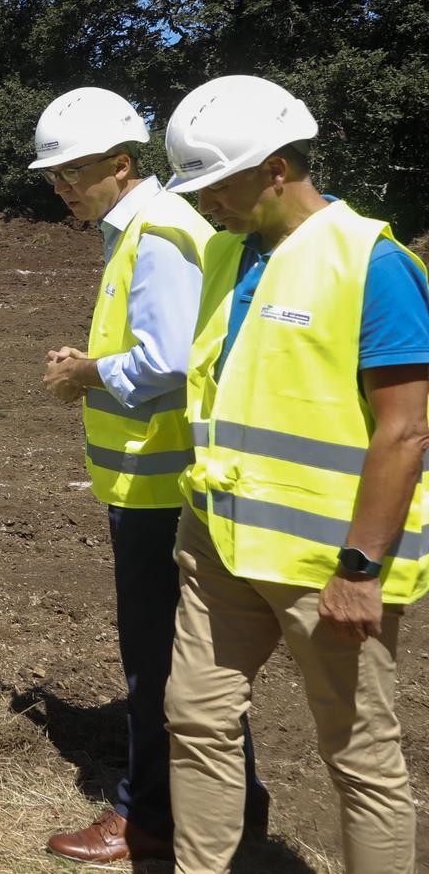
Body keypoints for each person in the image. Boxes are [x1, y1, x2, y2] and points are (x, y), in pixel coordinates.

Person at [160, 74, 429, 874]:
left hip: (328, 567)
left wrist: (361, 567)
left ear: (276, 167)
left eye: (218, 183)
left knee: (359, 759)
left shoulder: (372, 263)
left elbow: (407, 427)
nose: (207, 201)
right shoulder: (223, 251)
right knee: (197, 719)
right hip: (219, 544)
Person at [29, 88, 268, 863]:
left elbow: (166, 362)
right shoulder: (140, 229)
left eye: (70, 171)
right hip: (156, 482)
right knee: (189, 664)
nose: (60, 185)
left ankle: (149, 820)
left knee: (159, 665)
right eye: (54, 175)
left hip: (159, 489)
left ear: (122, 164)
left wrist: (88, 373)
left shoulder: (158, 234)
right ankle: (239, 810)